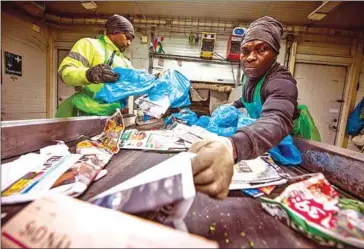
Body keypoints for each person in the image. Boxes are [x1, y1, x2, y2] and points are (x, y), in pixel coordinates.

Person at [189, 16, 320, 200]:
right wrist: (232, 106)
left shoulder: (281, 81)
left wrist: (231, 147)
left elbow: (277, 120)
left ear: (274, 53)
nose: (251, 57)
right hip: (263, 138)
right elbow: (249, 99)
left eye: (261, 50)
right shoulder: (249, 78)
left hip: (290, 143)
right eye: (246, 51)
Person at [56, 14, 135, 117]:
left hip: (110, 115)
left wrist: (156, 80)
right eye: (128, 37)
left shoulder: (124, 62)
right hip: (82, 112)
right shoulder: (89, 45)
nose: (129, 43)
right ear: (115, 31)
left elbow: (137, 79)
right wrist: (89, 74)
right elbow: (65, 72)